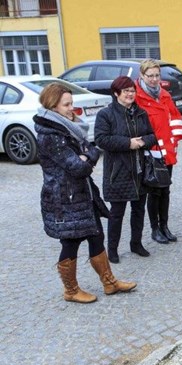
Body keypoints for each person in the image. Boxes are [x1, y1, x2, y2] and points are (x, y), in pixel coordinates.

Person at [33, 83, 136, 303]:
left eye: (72, 103)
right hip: (64, 198)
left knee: (97, 234)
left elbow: (91, 149)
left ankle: (109, 283)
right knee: (71, 242)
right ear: (52, 106)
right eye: (66, 104)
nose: (72, 108)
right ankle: (71, 290)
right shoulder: (51, 135)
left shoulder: (68, 128)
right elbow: (78, 167)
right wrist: (87, 157)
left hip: (81, 193)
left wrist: (87, 155)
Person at [95, 76, 157, 263]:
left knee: (138, 210)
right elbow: (101, 139)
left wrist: (143, 142)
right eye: (126, 91)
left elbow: (152, 136)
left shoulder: (141, 113)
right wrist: (128, 143)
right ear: (116, 94)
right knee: (117, 213)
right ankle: (112, 249)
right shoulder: (106, 114)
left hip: (140, 169)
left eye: (132, 90)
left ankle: (136, 243)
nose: (130, 94)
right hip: (118, 171)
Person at [135, 59, 182, 244]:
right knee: (154, 191)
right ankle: (155, 229)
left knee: (166, 190)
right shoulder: (137, 97)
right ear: (142, 76)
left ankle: (165, 226)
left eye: (157, 75)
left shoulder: (164, 95)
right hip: (151, 151)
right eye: (150, 76)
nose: (154, 79)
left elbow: (175, 117)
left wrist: (174, 141)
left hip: (167, 150)